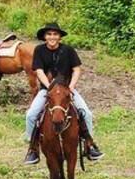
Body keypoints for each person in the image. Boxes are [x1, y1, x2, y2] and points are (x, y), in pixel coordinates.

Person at [23, 22, 104, 165]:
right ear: (45, 36)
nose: (52, 37)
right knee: (31, 115)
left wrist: (71, 88)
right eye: (49, 34)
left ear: (59, 36)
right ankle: (33, 148)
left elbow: (77, 69)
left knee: (86, 113)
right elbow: (39, 71)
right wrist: (49, 88)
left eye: (55, 34)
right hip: (47, 90)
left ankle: (90, 145)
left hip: (67, 90)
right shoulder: (39, 50)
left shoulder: (68, 50)